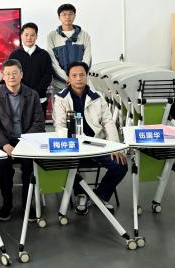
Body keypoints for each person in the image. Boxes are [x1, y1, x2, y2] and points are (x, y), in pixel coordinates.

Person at [52, 61, 127, 215]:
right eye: (74, 75)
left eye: (82, 75)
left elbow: (108, 122)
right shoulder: (61, 98)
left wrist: (115, 146)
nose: (78, 78)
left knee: (121, 165)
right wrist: (67, 144)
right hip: (73, 146)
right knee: (62, 164)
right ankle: (81, 194)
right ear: (68, 78)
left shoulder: (97, 97)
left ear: (87, 76)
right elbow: (59, 125)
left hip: (96, 144)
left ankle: (100, 195)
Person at [0, 59, 45, 221]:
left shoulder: (32, 94)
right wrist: (4, 144)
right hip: (4, 141)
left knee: (29, 165)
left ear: (21, 74)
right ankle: (7, 203)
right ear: (3, 76)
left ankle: (27, 203)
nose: (11, 76)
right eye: (7, 74)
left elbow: (39, 123)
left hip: (27, 140)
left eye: (14, 73)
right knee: (2, 164)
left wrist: (25, 143)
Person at [9, 22, 52, 117]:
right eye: (26, 35)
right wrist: (24, 91)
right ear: (21, 36)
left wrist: (34, 92)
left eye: (32, 35)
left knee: (39, 125)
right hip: (19, 98)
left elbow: (47, 76)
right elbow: (11, 76)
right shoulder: (14, 55)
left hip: (40, 99)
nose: (29, 38)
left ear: (36, 37)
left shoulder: (44, 55)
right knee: (20, 125)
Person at [47, 3, 92, 92]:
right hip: (60, 84)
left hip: (80, 83)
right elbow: (53, 61)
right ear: (59, 17)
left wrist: (77, 77)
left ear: (75, 16)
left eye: (70, 14)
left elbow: (87, 58)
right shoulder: (52, 36)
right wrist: (68, 78)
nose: (67, 17)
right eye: (64, 14)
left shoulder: (84, 35)